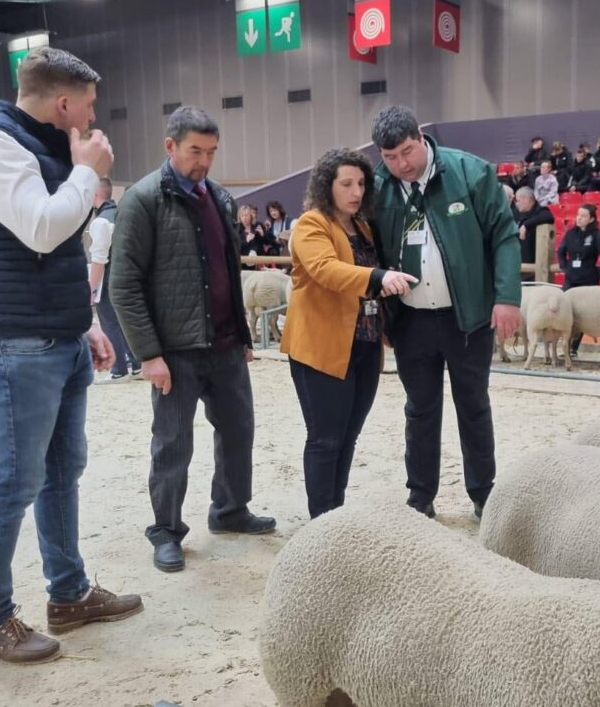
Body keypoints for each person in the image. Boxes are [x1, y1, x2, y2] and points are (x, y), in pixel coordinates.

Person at [0, 46, 142, 665]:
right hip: (9, 339)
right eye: (87, 105)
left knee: (62, 471)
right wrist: (87, 172)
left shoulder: (42, 150)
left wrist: (84, 325)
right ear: (63, 103)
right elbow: (41, 227)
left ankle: (70, 592)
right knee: (14, 482)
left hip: (55, 335)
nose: (91, 117)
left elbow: (53, 254)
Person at [110, 105, 276, 574]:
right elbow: (123, 285)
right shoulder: (143, 200)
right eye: (195, 151)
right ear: (170, 146)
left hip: (224, 346)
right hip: (175, 352)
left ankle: (229, 510)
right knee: (172, 443)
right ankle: (166, 531)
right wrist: (148, 354)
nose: (204, 161)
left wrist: (243, 335)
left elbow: (228, 270)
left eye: (212, 151)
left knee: (239, 429)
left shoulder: (219, 198)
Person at [368, 105, 522, 520]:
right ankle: (420, 496)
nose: (401, 164)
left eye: (406, 152)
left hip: (466, 317)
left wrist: (507, 297)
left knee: (473, 404)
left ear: (420, 136)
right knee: (420, 409)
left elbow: (504, 236)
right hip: (411, 321)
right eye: (389, 157)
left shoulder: (469, 172)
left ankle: (482, 493)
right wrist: (381, 316)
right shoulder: (378, 187)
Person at [281, 148, 416, 519]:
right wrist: (378, 278)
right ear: (328, 185)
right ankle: (321, 522)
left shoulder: (364, 227)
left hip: (366, 345)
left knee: (347, 437)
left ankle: (334, 514)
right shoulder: (312, 223)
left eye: (361, 183)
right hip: (322, 347)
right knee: (325, 439)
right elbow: (326, 269)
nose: (356, 191)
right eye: (346, 184)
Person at [87, 177, 141, 381]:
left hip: (108, 278)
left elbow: (99, 259)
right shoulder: (120, 214)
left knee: (109, 323)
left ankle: (119, 369)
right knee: (122, 321)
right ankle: (135, 365)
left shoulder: (100, 221)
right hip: (125, 274)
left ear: (95, 194)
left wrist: (91, 289)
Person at [556, 203, 600, 356]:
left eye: (583, 216)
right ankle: (565, 344)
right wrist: (565, 266)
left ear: (591, 219)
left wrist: (599, 272)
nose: (579, 218)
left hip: (588, 281)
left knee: (582, 315)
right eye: (578, 215)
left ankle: (573, 348)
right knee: (565, 311)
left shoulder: (597, 235)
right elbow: (561, 251)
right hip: (571, 279)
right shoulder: (571, 233)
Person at [513, 187, 554, 268]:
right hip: (519, 261)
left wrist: (526, 225)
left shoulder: (541, 211)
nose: (517, 204)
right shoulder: (517, 213)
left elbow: (548, 217)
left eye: (518, 201)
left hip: (534, 263)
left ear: (526, 199)